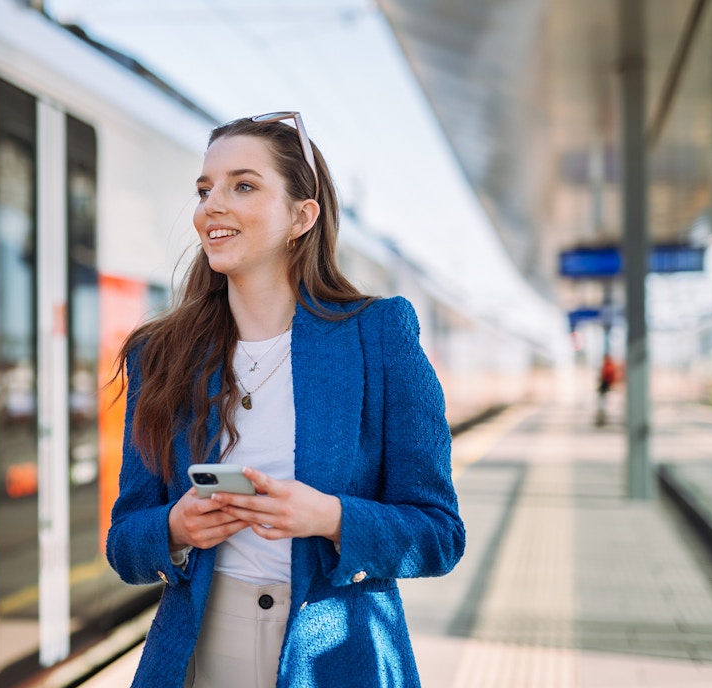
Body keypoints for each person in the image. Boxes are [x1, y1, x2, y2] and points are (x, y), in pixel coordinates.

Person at [106, 111, 465, 688]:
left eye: (242, 186)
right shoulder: (162, 353)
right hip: (198, 652)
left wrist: (329, 517)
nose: (211, 205)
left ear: (302, 216)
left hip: (337, 659)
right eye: (205, 189)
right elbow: (124, 542)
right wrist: (174, 527)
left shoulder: (379, 335)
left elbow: (439, 534)